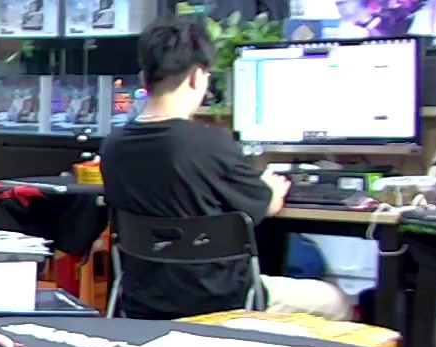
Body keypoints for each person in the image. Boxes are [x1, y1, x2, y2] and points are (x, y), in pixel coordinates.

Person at [101, 19, 351, 321]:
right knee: (336, 301)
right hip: (221, 299)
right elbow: (266, 206)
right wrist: (271, 188)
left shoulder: (112, 146)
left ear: (144, 78)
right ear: (197, 77)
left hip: (142, 301)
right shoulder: (211, 144)